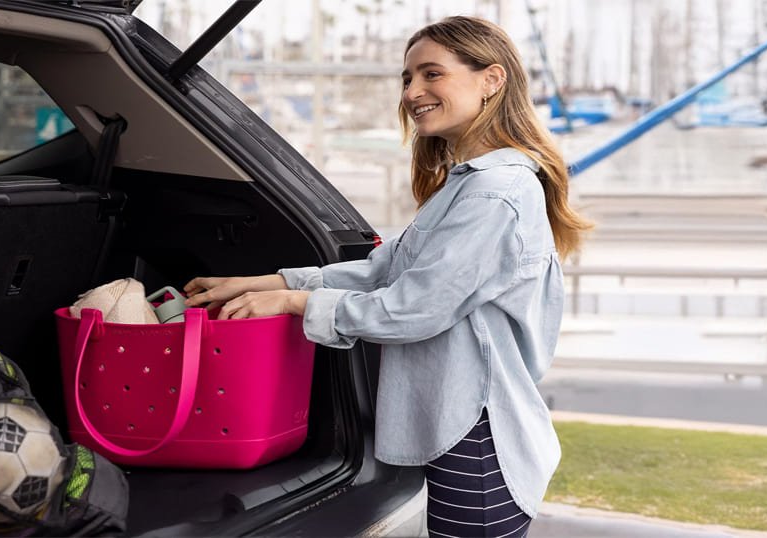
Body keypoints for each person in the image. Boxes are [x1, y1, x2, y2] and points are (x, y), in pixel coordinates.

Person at [184, 15, 591, 538]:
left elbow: (414, 307)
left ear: (492, 79)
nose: (412, 91)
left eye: (431, 74)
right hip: (461, 432)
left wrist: (293, 305)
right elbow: (385, 268)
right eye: (407, 78)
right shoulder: (466, 186)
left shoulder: (496, 194)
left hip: (479, 442)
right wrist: (268, 282)